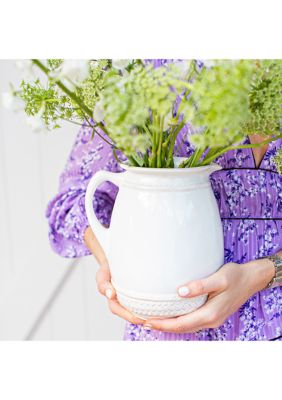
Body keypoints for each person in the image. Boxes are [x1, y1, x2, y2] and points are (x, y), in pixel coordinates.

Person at [46, 116, 282, 341]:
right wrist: (113, 260)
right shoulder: (141, 77)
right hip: (170, 327)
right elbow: (74, 198)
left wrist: (262, 273)